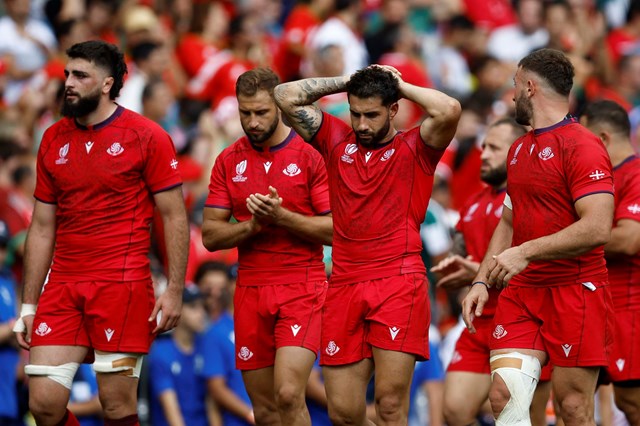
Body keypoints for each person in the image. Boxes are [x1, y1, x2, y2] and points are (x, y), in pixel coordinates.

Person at [12, 40, 189, 426]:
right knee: (42, 404)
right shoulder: (53, 138)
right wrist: (28, 306)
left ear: (107, 83)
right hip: (63, 284)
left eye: (80, 75)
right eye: (67, 74)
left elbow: (175, 216)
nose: (69, 83)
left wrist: (175, 289)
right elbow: (42, 227)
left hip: (122, 286)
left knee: (117, 406)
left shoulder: (147, 136)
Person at [274, 65, 461, 425]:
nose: (362, 124)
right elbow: (285, 96)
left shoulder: (416, 147)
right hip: (344, 283)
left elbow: (449, 109)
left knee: (390, 407)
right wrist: (349, 82)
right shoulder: (336, 139)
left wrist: (400, 84)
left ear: (393, 109)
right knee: (343, 412)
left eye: (372, 115)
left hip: (398, 281)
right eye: (356, 113)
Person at [462, 48, 615, 426]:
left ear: (530, 87)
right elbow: (508, 224)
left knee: (572, 407)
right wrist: (482, 280)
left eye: (515, 85)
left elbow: (597, 226)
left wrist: (526, 252)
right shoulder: (518, 150)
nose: (512, 95)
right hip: (524, 290)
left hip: (576, 288)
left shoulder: (582, 145)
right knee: (504, 397)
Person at [201, 67, 332, 426]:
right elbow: (210, 235)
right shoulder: (229, 160)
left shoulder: (309, 156)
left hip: (301, 286)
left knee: (289, 395)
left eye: (261, 112)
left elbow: (336, 230)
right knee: (267, 412)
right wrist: (254, 225)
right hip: (249, 289)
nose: (253, 121)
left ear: (278, 107)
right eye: (245, 113)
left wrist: (282, 217)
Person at [431, 117, 526, 425]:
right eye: (484, 146)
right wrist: (453, 270)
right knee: (454, 411)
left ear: (515, 152)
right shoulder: (473, 203)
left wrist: (476, 273)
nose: (483, 154)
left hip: (518, 321)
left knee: (517, 411)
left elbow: (534, 263)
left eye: (494, 148)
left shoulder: (528, 199)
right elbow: (460, 254)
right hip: (477, 323)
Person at [580, 99, 640, 426]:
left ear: (602, 138)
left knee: (631, 401)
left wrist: (575, 238)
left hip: (629, 308)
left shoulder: (636, 174)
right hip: (594, 305)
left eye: (585, 139)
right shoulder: (597, 179)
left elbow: (630, 239)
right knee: (573, 401)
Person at [198, 262, 253, 426]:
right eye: (237, 281)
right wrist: (251, 415)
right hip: (238, 420)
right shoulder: (216, 331)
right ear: (227, 287)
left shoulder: (264, 325)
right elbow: (216, 389)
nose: (244, 286)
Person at [148, 286, 209, 426]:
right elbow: (172, 413)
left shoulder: (206, 346)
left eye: (202, 307)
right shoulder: (161, 352)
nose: (201, 313)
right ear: (177, 311)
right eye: (193, 307)